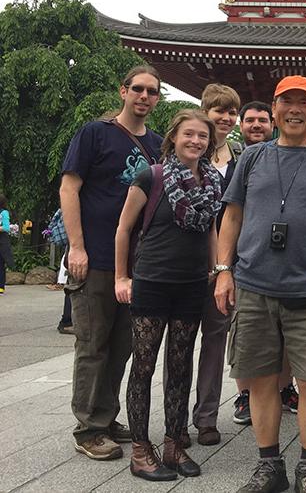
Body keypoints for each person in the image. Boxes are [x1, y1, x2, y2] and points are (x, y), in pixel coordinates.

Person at [213, 75, 306, 493]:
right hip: (255, 285)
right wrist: (224, 270)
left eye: (304, 103)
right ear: (274, 110)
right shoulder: (253, 157)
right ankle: (269, 464)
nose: (295, 109)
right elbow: (233, 215)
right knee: (260, 379)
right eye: (286, 102)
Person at [59, 65, 163, 460]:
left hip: (138, 263)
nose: (144, 96)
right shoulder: (95, 133)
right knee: (93, 343)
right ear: (123, 91)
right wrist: (77, 246)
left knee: (122, 345)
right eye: (137, 88)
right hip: (98, 255)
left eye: (152, 91)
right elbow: (70, 188)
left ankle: (106, 414)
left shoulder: (156, 144)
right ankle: (87, 427)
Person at [114, 109, 222, 481]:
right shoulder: (152, 176)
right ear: (174, 137)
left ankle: (174, 444)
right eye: (189, 134)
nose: (195, 141)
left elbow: (210, 230)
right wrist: (121, 276)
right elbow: (124, 230)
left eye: (203, 136)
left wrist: (218, 270)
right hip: (153, 281)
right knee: (143, 366)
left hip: (192, 284)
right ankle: (141, 451)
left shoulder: (211, 184)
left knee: (180, 366)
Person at [181, 84, 240, 447]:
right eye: (219, 109)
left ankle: (206, 416)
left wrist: (225, 265)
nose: (226, 117)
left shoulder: (242, 156)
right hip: (186, 264)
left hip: (226, 265)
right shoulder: (182, 156)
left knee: (216, 341)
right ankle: (176, 415)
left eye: (231, 111)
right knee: (181, 342)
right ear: (205, 109)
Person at [232, 100, 291, 426]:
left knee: (288, 339)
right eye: (250, 120)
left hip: (296, 273)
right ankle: (246, 394)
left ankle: (284, 389)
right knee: (249, 342)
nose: (256, 125)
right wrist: (225, 268)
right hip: (249, 266)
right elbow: (232, 213)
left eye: (261, 120)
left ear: (272, 122)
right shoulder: (242, 158)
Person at [0, 193, 13, 294]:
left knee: (0, 264)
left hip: (2, 241)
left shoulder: (4, 213)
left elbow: (6, 228)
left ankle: (1, 286)